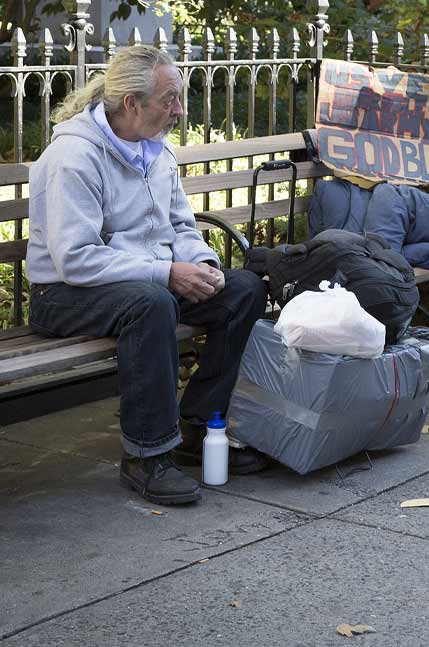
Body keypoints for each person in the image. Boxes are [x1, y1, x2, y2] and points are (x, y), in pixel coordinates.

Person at [26, 45, 270, 505]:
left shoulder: (157, 152)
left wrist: (203, 264)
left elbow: (180, 226)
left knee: (243, 289)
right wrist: (164, 273)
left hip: (141, 283)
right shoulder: (74, 158)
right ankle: (147, 455)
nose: (180, 110)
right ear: (132, 103)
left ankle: (199, 429)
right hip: (62, 294)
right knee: (151, 303)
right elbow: (75, 258)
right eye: (170, 99)